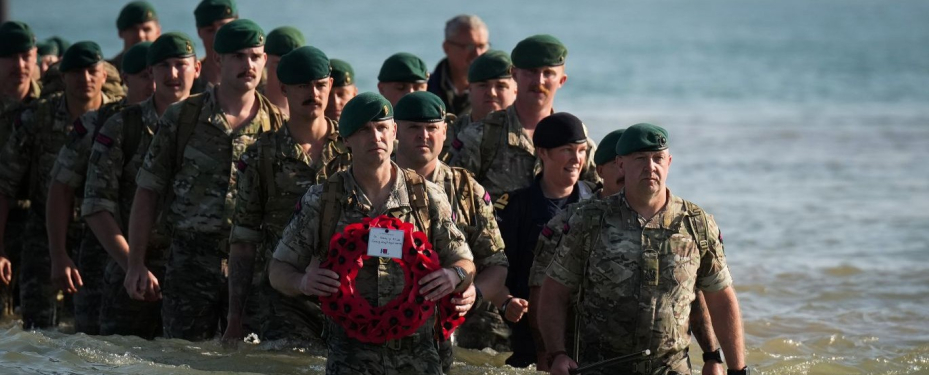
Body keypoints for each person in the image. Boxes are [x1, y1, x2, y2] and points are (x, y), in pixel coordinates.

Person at [269, 92, 475, 374]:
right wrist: (302, 281)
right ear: (346, 141)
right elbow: (278, 269)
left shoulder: (427, 197)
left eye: (381, 127)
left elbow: (464, 261)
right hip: (350, 358)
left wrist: (455, 276)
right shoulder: (323, 200)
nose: (375, 136)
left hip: (418, 357)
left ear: (394, 132)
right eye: (364, 130)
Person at [541, 123, 748, 375]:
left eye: (657, 158)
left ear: (669, 162)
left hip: (672, 369)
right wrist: (557, 354)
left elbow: (719, 297)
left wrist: (729, 364)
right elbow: (554, 292)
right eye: (640, 159)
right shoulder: (589, 220)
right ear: (620, 164)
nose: (651, 167)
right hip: (600, 367)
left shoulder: (696, 223)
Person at [127, 19, 283, 341]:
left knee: (249, 361)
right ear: (217, 60)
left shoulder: (278, 127)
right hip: (189, 263)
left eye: (255, 56)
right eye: (238, 56)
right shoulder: (183, 117)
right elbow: (148, 191)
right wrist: (135, 264)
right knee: (182, 359)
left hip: (253, 269)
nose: (248, 65)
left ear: (265, 61)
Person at [80, 32, 201, 339]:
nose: (173, 74)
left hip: (196, 280)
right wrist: (132, 265)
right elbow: (96, 204)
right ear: (150, 73)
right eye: (163, 66)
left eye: (180, 64)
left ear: (197, 69)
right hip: (133, 272)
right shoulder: (122, 126)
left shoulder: (211, 127)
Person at [226, 45, 346, 344]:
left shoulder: (352, 149)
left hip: (345, 297)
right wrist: (235, 317)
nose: (314, 94)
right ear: (284, 89)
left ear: (330, 86)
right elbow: (244, 241)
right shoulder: (261, 156)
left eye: (320, 85)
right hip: (283, 300)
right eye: (303, 86)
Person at [0, 41, 119, 330]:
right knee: (37, 329)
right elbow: (5, 185)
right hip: (43, 234)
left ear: (104, 75)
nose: (85, 79)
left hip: (100, 236)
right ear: (63, 77)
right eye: (76, 72)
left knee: (95, 332)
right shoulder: (37, 118)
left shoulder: (119, 119)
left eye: (92, 71)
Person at [393, 91, 510, 371]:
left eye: (432, 128)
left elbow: (496, 263)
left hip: (455, 330)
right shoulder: (376, 185)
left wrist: (476, 294)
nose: (424, 135)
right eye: (414, 128)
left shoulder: (466, 190)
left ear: (445, 132)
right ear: (395, 130)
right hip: (388, 326)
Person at [46, 41, 153, 335]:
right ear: (125, 78)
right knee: (93, 342)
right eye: (144, 76)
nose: (153, 83)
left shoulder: (176, 123)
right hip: (98, 253)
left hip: (152, 257)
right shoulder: (98, 125)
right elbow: (60, 190)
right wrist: (58, 254)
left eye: (156, 73)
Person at [494, 112, 598, 369]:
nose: (577, 160)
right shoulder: (514, 207)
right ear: (542, 152)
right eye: (567, 150)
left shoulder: (597, 202)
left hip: (587, 337)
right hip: (530, 337)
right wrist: (506, 301)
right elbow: (496, 266)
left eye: (582, 151)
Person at [448, 34, 599, 199]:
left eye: (548, 73)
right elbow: (452, 200)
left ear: (561, 80)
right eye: (531, 72)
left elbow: (600, 200)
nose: (539, 81)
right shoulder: (481, 137)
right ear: (514, 75)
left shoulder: (579, 142)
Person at [0, 20, 42, 320]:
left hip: (38, 224)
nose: (20, 64)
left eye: (26, 55)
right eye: (10, 57)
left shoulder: (51, 105)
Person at [439, 49, 515, 163]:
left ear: (516, 90)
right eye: (483, 85)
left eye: (501, 86)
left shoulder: (529, 135)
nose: (491, 93)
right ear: (470, 89)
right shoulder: (445, 135)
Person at [426, 15, 490, 117]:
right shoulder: (425, 90)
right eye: (470, 47)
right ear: (447, 47)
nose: (478, 54)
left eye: (482, 46)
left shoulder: (496, 93)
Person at [191, 0, 238, 94]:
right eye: (210, 30)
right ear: (199, 33)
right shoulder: (190, 79)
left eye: (224, 27)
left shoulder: (257, 77)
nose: (218, 35)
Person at [262, 26, 305, 117]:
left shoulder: (310, 105)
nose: (287, 71)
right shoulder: (252, 104)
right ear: (264, 61)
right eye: (278, 64)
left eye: (295, 65)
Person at [110, 1, 161, 70]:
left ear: (158, 32)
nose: (140, 35)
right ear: (120, 32)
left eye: (146, 29)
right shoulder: (110, 71)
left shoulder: (167, 69)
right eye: (133, 30)